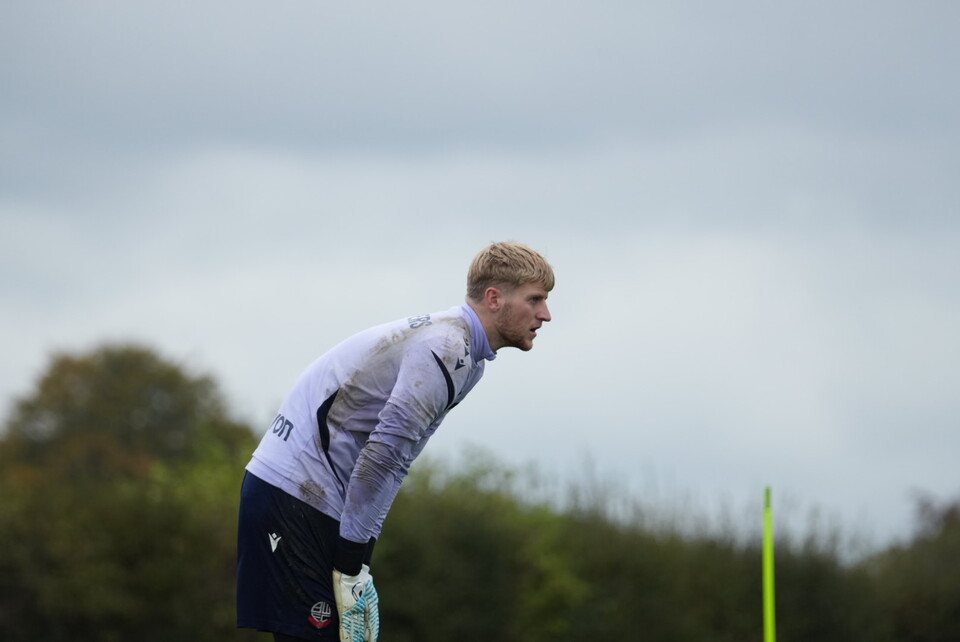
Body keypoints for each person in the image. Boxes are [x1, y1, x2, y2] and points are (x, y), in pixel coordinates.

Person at [236, 241, 555, 642]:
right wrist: (351, 564)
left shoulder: (469, 360)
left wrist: (360, 560)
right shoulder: (446, 349)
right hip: (294, 492)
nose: (545, 314)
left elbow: (399, 460)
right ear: (494, 298)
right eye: (536, 299)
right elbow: (382, 459)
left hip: (309, 494)